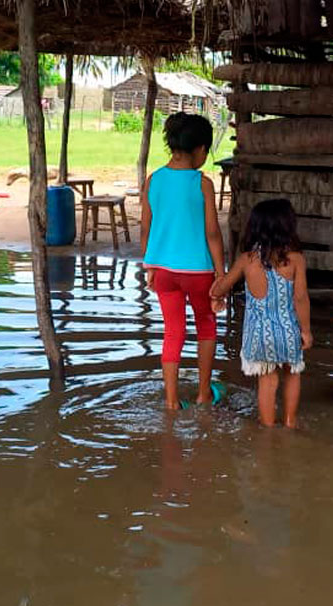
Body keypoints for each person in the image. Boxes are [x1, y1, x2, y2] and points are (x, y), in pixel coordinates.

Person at [141, 113, 226, 410]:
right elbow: (213, 234)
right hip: (198, 272)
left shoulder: (153, 180)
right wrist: (221, 274)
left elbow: (146, 229)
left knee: (173, 330)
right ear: (200, 149)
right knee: (206, 324)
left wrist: (150, 265)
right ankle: (203, 393)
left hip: (163, 271)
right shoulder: (202, 184)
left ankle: (172, 401)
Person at [210, 199, 312, 428]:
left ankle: (267, 429)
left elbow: (223, 287)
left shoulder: (247, 260)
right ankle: (289, 423)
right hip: (288, 331)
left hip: (259, 336)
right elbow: (300, 298)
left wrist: (216, 291)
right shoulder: (296, 260)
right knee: (292, 374)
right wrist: (305, 331)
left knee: (268, 380)